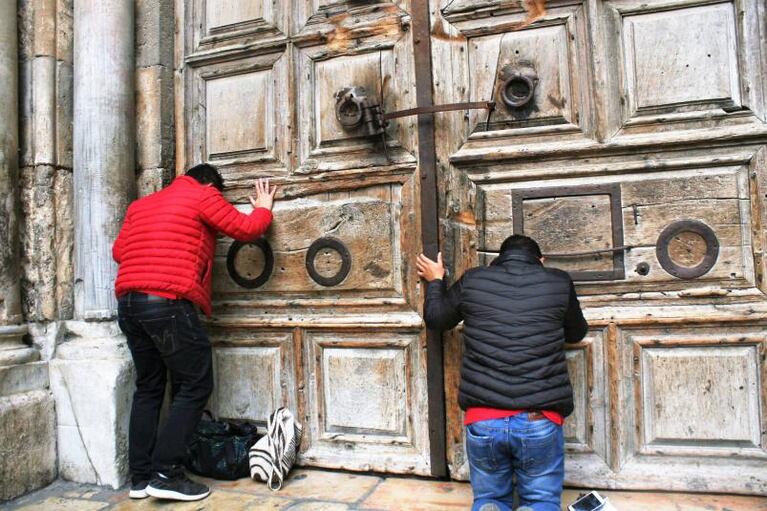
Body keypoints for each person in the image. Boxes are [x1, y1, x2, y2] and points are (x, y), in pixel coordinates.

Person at [112, 164, 277, 501]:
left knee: (149, 387)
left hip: (129, 305)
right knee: (196, 384)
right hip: (167, 303)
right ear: (212, 185)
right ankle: (166, 473)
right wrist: (263, 208)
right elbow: (245, 229)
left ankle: (140, 477)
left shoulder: (140, 205)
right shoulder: (204, 195)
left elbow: (119, 252)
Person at [416, 235, 588, 511]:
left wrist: (436, 281)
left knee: (490, 499)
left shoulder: (474, 279)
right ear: (540, 261)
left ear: (498, 260)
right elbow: (577, 332)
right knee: (540, 500)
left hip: (484, 419)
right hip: (538, 419)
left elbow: (437, 318)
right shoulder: (558, 281)